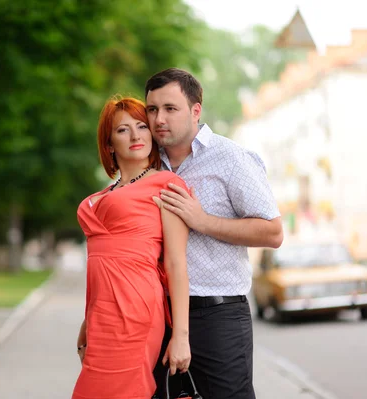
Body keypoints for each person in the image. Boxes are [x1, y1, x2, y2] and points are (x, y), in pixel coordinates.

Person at [146, 68, 283, 399]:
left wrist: (202, 220)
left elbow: (273, 232)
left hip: (217, 315)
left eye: (170, 108)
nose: (158, 119)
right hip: (155, 314)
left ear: (196, 111)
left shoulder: (231, 159)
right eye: (152, 109)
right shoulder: (147, 165)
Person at [72, 96, 192, 399]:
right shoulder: (102, 195)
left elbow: (176, 263)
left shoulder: (166, 184)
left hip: (137, 312)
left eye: (142, 126)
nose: (137, 135)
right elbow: (102, 267)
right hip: (101, 318)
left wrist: (180, 335)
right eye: (123, 130)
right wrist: (88, 323)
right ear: (109, 144)